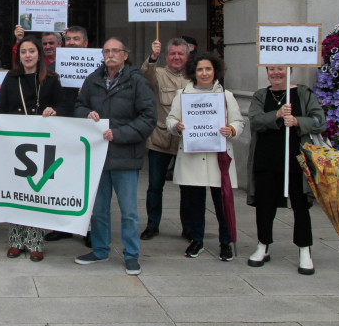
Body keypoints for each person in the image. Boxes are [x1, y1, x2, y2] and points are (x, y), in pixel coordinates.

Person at [74, 38, 155, 275]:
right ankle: (100, 250)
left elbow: (148, 117)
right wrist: (86, 113)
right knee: (98, 209)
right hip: (98, 154)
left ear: (125, 55)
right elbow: (78, 106)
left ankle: (131, 255)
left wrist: (119, 134)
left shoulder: (137, 81)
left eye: (115, 51)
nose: (110, 54)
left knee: (128, 211)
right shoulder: (93, 79)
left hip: (125, 155)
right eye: (106, 50)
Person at [0, 36, 63, 261]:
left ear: (39, 55)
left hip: (41, 143)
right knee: (17, 192)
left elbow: (63, 106)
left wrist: (53, 111)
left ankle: (35, 241)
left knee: (37, 192)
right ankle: (16, 240)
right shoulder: (11, 77)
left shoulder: (52, 79)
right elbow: (2, 107)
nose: (27, 55)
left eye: (32, 51)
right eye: (24, 51)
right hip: (15, 143)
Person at [246, 66, 325, 276]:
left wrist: (298, 121)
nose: (276, 73)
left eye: (280, 69)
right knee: (264, 205)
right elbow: (255, 120)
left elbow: (319, 121)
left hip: (297, 160)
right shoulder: (261, 95)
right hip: (266, 159)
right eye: (272, 69)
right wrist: (278, 115)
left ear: (289, 69)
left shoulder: (304, 93)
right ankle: (263, 245)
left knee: (300, 205)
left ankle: (304, 249)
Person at [166, 51, 244, 261]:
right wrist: (177, 126)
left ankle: (225, 241)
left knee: (222, 203)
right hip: (193, 156)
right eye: (200, 69)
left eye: (208, 68)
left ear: (215, 70)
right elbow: (171, 119)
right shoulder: (183, 94)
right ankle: (197, 240)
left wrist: (232, 130)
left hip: (218, 158)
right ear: (193, 71)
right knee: (195, 203)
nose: (204, 73)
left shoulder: (225, 95)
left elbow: (239, 122)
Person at [139, 38, 190, 241]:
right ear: (167, 56)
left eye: (180, 54)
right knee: (155, 185)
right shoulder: (158, 74)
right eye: (172, 54)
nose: (176, 57)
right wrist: (153, 57)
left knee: (188, 187)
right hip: (160, 138)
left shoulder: (194, 77)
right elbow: (145, 74)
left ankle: (188, 226)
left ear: (187, 56)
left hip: (187, 142)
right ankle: (153, 224)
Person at [45, 25, 90, 243]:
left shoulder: (97, 66)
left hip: (86, 129)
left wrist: (89, 90)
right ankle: (62, 225)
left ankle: (88, 228)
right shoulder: (53, 67)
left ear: (86, 43)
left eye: (77, 39)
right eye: (69, 39)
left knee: (87, 181)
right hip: (62, 127)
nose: (72, 42)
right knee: (61, 178)